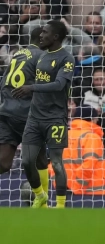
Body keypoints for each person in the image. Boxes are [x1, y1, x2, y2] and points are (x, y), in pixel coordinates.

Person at [12, 20, 75, 208]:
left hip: (55, 117)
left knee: (56, 163)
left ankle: (61, 206)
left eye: (45, 32)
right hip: (34, 117)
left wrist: (32, 88)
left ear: (55, 37)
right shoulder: (41, 56)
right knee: (27, 160)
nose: (40, 35)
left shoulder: (66, 58)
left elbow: (59, 85)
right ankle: (40, 196)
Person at [0, 27, 49, 203]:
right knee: (41, 160)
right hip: (26, 115)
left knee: (3, 163)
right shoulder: (42, 57)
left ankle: (39, 199)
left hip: (7, 112)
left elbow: (4, 82)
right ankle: (42, 204)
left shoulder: (19, 55)